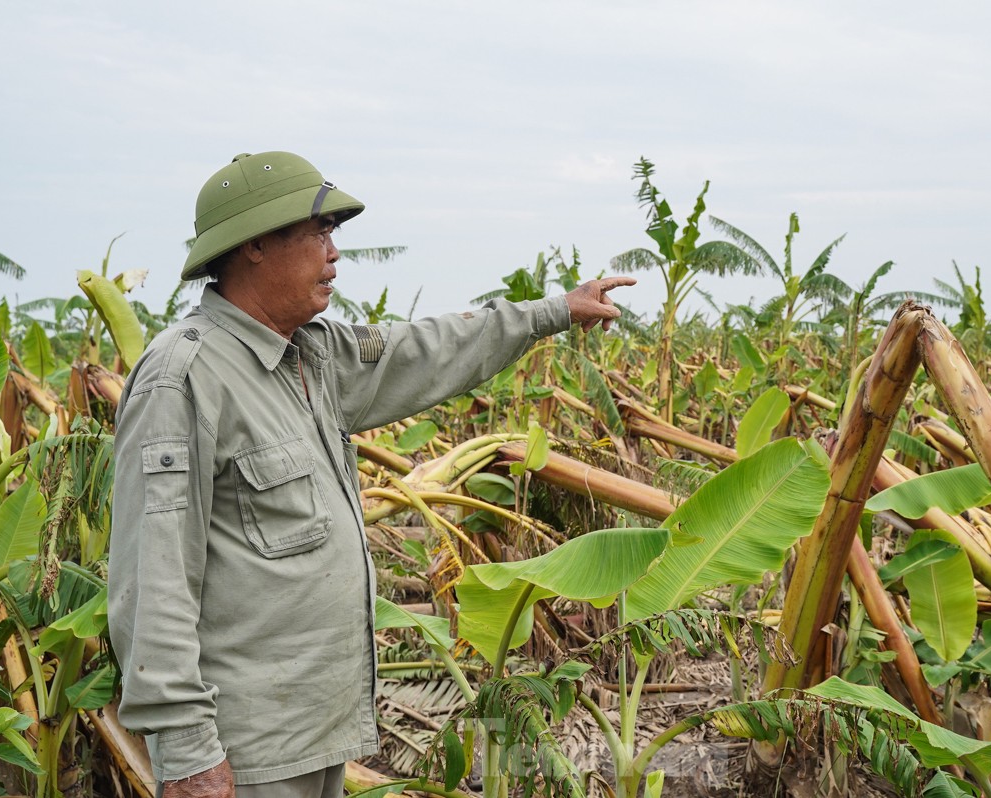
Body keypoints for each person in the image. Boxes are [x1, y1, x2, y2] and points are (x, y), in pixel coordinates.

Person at [107, 151, 633, 798]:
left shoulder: (315, 359)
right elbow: (151, 579)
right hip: (243, 752)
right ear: (254, 247)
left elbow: (432, 345)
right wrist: (187, 752)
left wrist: (552, 312)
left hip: (318, 732)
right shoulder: (185, 378)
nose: (334, 254)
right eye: (317, 234)